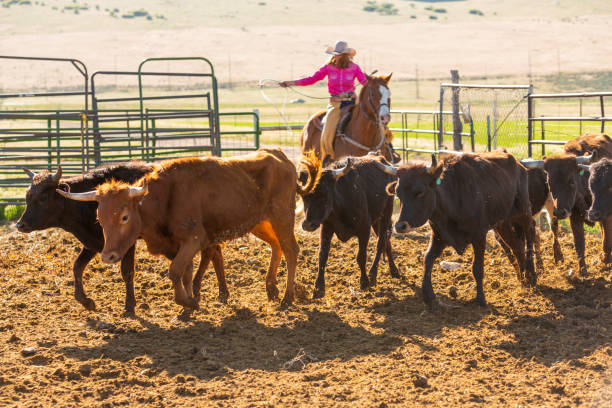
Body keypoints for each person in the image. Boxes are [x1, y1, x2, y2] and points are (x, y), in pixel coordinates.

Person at [279, 41, 367, 160]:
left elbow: (364, 82)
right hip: (336, 104)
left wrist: (375, 82)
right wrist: (291, 83)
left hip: (352, 103)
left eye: (339, 54)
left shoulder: (354, 68)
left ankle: (385, 149)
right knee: (327, 133)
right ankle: (328, 156)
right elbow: (312, 79)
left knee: (372, 121)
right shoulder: (328, 68)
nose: (336, 56)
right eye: (335, 54)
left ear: (346, 55)